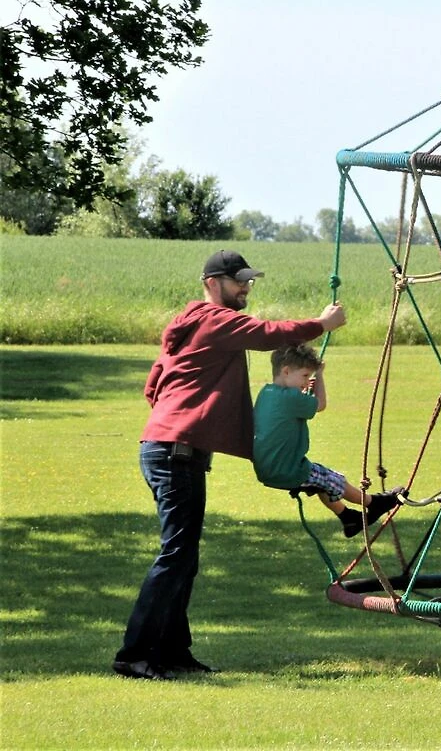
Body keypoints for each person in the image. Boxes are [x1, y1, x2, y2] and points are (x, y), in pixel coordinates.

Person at [113, 250, 347, 681]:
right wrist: (321, 324)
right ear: (211, 282)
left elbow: (153, 386)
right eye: (238, 280)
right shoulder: (213, 320)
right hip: (176, 452)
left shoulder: (189, 326)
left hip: (172, 448)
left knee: (184, 557)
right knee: (176, 554)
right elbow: (267, 333)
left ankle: (172, 652)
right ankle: (135, 654)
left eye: (248, 281)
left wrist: (181, 417)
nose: (245, 287)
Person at [253, 344, 398, 537]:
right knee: (333, 479)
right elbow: (320, 405)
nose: (307, 381)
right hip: (287, 470)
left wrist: (305, 391)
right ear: (286, 371)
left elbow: (291, 411)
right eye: (305, 376)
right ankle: (374, 502)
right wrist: (320, 375)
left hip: (268, 468)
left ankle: (348, 518)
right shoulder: (291, 397)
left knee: (321, 482)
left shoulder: (267, 393)